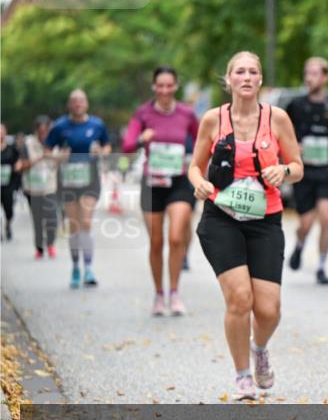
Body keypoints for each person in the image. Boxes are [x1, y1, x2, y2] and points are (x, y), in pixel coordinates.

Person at [188, 51, 303, 401]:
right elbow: (195, 166)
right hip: (221, 217)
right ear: (229, 79)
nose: (247, 77)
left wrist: (283, 171)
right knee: (240, 299)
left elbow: (298, 165)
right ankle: (242, 377)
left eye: (254, 71)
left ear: (260, 80)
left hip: (265, 219)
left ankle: (260, 349)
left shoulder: (277, 118)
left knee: (268, 309)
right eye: (240, 71)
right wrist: (199, 183)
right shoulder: (212, 119)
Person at [122, 66, 200, 316]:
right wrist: (142, 138)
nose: (165, 90)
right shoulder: (143, 113)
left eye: (170, 85)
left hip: (179, 182)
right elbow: (126, 146)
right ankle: (159, 295)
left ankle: (175, 293)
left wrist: (195, 164)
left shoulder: (187, 114)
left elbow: (202, 142)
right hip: (152, 183)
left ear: (176, 86)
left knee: (176, 238)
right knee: (156, 243)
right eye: (160, 86)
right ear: (154, 87)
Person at [286, 57, 328, 285]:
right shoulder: (295, 106)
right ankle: (299, 245)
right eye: (307, 73)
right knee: (305, 223)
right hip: (303, 172)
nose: (309, 78)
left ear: (325, 77)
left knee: (326, 217)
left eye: (314, 73)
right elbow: (284, 135)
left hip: (327, 170)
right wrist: (293, 146)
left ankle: (322, 266)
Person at [46, 89, 111, 288]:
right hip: (68, 181)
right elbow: (47, 150)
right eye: (74, 101)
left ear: (87, 104)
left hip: (90, 180)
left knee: (86, 222)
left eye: (81, 101)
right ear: (69, 105)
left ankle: (89, 268)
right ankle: (75, 267)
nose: (77, 104)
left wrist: (101, 151)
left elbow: (108, 147)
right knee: (74, 225)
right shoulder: (59, 126)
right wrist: (58, 157)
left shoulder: (97, 124)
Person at [20, 116, 60, 258]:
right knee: (37, 220)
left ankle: (50, 244)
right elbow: (22, 164)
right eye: (41, 131)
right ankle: (39, 248)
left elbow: (61, 160)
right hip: (33, 188)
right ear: (36, 130)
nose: (44, 134)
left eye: (46, 130)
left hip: (50, 187)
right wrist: (39, 157)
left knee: (52, 219)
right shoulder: (28, 143)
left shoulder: (56, 142)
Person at [1, 123, 20, 240]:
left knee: (9, 208)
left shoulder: (11, 148)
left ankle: (8, 224)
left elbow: (18, 161)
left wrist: (18, 165)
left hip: (8, 183)